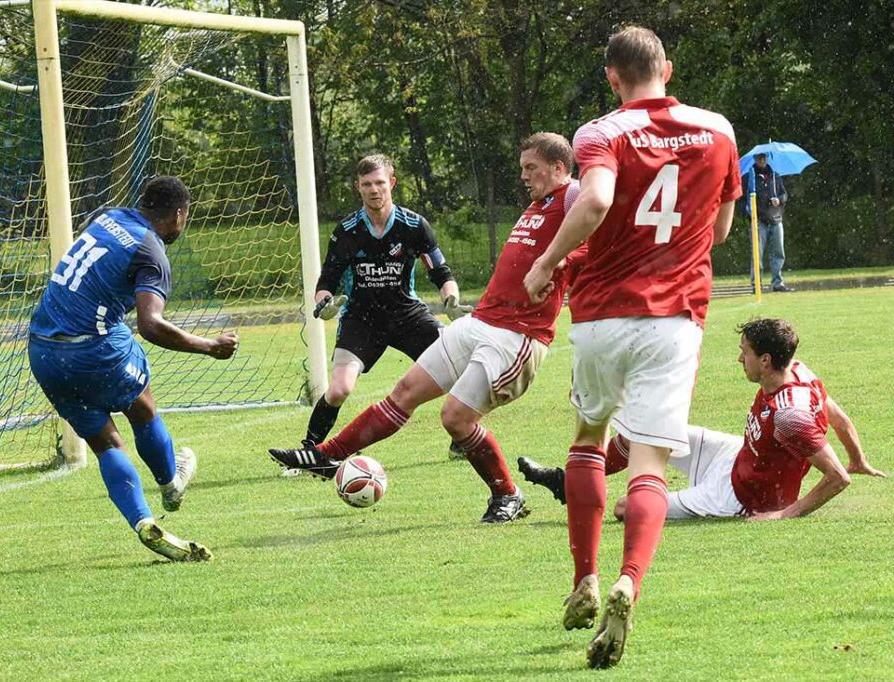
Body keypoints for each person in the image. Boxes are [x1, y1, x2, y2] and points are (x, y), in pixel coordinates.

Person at [522, 26, 741, 670]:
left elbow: (593, 200)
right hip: (675, 318)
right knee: (648, 463)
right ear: (666, 69)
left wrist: (547, 265)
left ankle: (585, 577)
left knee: (589, 439)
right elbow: (721, 227)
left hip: (600, 316)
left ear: (612, 77)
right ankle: (629, 582)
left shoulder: (600, 133)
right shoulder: (717, 129)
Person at [270, 133, 585, 523]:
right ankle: (325, 454)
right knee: (404, 391)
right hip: (480, 321)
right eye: (522, 168)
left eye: (530, 168)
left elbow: (602, 220)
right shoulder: (542, 204)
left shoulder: (573, 196)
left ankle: (507, 494)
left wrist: (562, 262)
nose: (522, 176)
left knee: (455, 418)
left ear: (558, 167)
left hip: (517, 334)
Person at [27, 176, 238, 562]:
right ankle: (171, 484)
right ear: (178, 214)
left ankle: (143, 522)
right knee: (142, 406)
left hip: (42, 351)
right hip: (91, 349)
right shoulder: (152, 251)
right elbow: (151, 325)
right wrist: (210, 346)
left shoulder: (107, 217)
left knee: (106, 443)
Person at [519, 318, 885, 520]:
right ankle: (569, 484)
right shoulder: (799, 371)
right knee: (642, 434)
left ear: (767, 361)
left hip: (738, 496)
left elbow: (837, 479)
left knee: (625, 509)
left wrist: (786, 515)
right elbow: (836, 415)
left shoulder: (790, 417)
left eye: (745, 353)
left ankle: (636, 493)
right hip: (735, 456)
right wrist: (858, 458)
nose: (740, 360)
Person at [298, 154, 466, 464]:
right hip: (361, 319)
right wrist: (324, 305)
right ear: (357, 188)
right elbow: (327, 281)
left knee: (461, 371)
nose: (374, 190)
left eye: (380, 183)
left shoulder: (414, 225)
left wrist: (450, 299)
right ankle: (311, 450)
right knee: (339, 390)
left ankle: (462, 439)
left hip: (407, 315)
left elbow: (441, 272)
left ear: (392, 183)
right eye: (367, 184)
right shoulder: (346, 231)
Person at [746, 153, 792, 292]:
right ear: (754, 159)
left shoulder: (775, 176)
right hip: (758, 221)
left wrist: (779, 200)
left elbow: (784, 194)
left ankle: (777, 283)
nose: (762, 159)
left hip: (776, 219)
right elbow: (745, 199)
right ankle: (756, 284)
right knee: (757, 254)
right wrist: (751, 214)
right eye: (759, 158)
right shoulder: (750, 177)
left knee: (778, 253)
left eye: (764, 157)